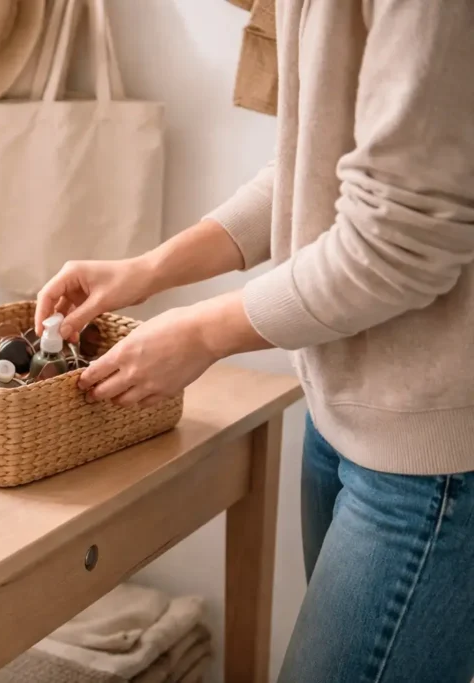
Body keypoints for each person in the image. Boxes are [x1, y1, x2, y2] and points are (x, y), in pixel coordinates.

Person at [33, 2, 474, 682]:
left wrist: (203, 332)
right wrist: (146, 271)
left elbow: (401, 240)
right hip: (343, 406)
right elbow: (312, 166)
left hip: (433, 454)